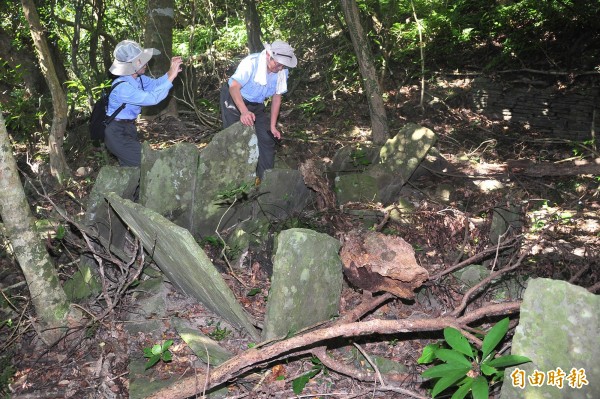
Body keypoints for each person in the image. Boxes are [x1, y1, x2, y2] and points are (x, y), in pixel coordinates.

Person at [220, 40, 297, 182]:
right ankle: (236, 180)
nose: (280, 68)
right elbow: (234, 86)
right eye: (278, 63)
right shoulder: (252, 63)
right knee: (236, 139)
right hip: (234, 99)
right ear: (269, 55)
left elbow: (276, 97)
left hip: (256, 104)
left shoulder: (282, 72)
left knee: (267, 138)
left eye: (283, 65)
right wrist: (243, 112)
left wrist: (273, 126)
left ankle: (263, 181)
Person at [105, 40, 183, 167]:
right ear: (133, 65)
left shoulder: (138, 78)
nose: (146, 63)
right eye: (141, 60)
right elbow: (152, 98)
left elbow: (156, 85)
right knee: (146, 164)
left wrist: (171, 71)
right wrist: (172, 76)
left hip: (129, 128)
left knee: (131, 171)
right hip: (117, 133)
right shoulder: (122, 88)